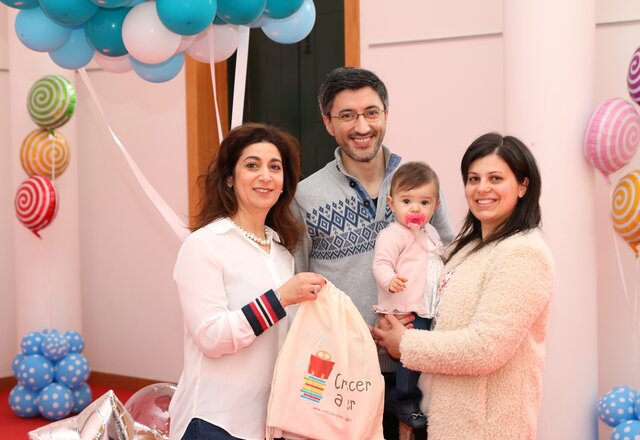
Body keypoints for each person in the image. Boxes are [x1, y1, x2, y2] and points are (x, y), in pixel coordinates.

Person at [293, 66, 454, 439]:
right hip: (343, 371)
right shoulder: (305, 196)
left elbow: (449, 262)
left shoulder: (420, 183)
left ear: (386, 114)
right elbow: (298, 289)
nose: (362, 126)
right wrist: (344, 329)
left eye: (371, 112)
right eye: (347, 116)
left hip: (416, 364)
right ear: (328, 123)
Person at [374, 133, 555, 440]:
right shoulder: (467, 247)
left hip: (486, 428)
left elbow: (485, 348)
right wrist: (398, 320)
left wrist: (405, 343)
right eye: (474, 178)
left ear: (523, 185)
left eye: (495, 178)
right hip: (442, 417)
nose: (482, 188)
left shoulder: (524, 253)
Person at [170, 123, 326, 440]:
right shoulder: (204, 245)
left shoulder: (282, 253)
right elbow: (212, 337)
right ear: (230, 177)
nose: (265, 176)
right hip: (213, 420)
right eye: (252, 165)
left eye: (275, 167)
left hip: (267, 422)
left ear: (284, 183)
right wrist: (279, 299)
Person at [372, 161, 445, 431]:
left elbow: (438, 258)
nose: (415, 209)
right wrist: (389, 280)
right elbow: (381, 264)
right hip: (404, 308)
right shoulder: (393, 234)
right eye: (407, 201)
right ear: (392, 204)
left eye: (424, 202)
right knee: (409, 357)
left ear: (435, 206)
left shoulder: (431, 232)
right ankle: (404, 399)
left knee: (424, 356)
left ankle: (420, 399)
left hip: (425, 307)